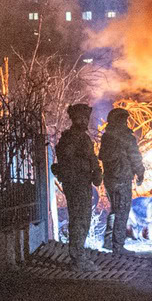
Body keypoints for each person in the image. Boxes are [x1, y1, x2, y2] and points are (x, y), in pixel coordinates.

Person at [52, 103, 103, 265]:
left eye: (86, 118)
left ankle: (79, 253)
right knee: (79, 218)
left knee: (82, 218)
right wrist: (91, 167)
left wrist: (96, 171)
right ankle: (78, 258)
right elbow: (70, 158)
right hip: (76, 182)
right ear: (75, 118)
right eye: (82, 118)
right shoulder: (72, 138)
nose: (85, 121)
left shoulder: (80, 137)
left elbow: (90, 157)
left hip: (81, 181)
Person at [99, 106, 146, 252]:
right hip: (122, 178)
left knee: (114, 209)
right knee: (122, 211)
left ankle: (108, 241)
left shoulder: (106, 137)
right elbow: (135, 157)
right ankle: (118, 246)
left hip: (109, 179)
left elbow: (101, 156)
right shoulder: (126, 137)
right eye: (125, 119)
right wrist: (140, 172)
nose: (127, 122)